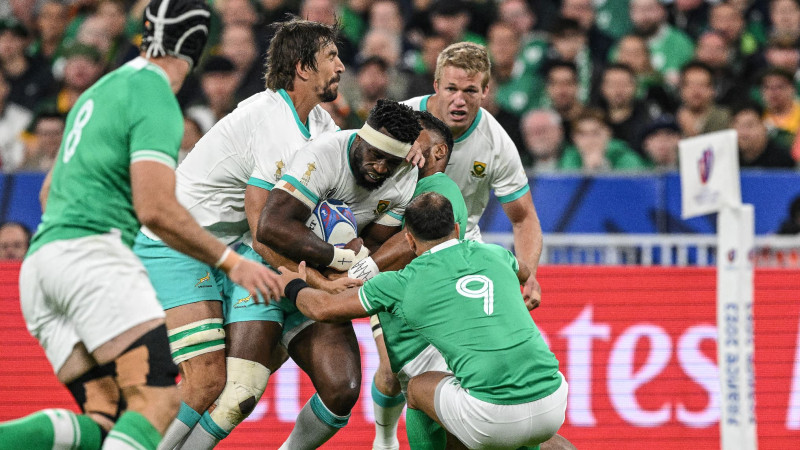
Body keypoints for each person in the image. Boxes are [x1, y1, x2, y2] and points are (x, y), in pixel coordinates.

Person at [0, 1, 282, 450]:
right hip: (90, 259)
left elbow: (47, 192)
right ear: (199, 48)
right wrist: (232, 263)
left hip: (41, 267)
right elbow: (155, 209)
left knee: (107, 418)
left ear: (146, 31)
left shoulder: (101, 88)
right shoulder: (156, 97)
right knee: (161, 401)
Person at [131, 18, 348, 450]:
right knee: (207, 380)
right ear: (303, 67)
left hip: (233, 249)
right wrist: (321, 282)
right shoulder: (272, 120)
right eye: (331, 56)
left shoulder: (321, 125)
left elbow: (349, 178)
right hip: (179, 244)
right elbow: (262, 227)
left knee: (242, 389)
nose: (341, 65)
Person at [275, 191, 568, 450]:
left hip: (493, 420)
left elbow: (323, 309)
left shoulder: (400, 283)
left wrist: (293, 283)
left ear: (409, 240)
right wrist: (529, 284)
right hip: (554, 403)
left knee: (416, 388)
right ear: (456, 228)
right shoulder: (496, 254)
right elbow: (524, 272)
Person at [394, 40, 545, 449]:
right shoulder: (403, 122)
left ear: (486, 91)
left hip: (463, 254)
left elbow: (524, 217)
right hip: (398, 248)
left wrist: (528, 275)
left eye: (471, 91)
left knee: (449, 379)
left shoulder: (495, 141)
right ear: (436, 85)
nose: (459, 100)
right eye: (451, 89)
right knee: (402, 376)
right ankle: (382, 436)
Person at [256, 98, 422, 450]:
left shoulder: (405, 177)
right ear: (361, 137)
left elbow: (373, 248)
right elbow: (270, 227)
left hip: (324, 285)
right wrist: (341, 260)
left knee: (342, 392)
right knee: (234, 387)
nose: (379, 168)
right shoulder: (323, 154)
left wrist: (344, 269)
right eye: (375, 155)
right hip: (270, 270)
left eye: (391, 163)